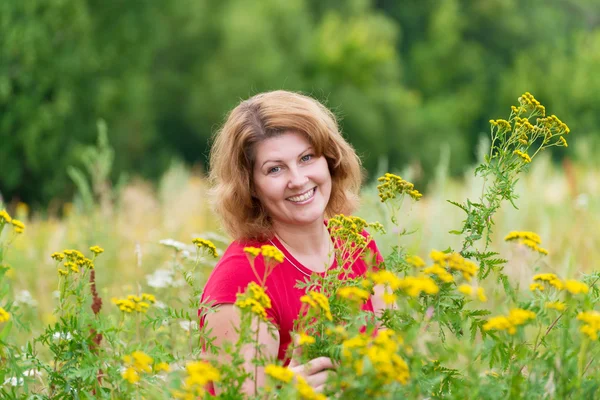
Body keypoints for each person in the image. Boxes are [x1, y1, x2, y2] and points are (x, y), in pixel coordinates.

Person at [200, 90, 387, 396]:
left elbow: (395, 357)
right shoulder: (240, 281)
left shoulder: (357, 245)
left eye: (306, 158)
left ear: (330, 161)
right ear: (251, 187)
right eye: (275, 169)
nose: (298, 179)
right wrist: (287, 392)